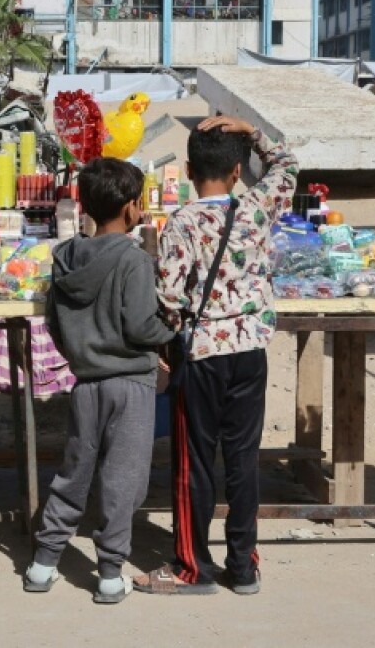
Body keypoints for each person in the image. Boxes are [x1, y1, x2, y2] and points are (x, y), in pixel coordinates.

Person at [135, 115, 298, 596]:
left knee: (195, 462)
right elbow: (286, 162)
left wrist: (171, 338)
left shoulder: (182, 223)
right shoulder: (257, 207)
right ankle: (243, 566)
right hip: (250, 351)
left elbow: (167, 298)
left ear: (187, 170)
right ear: (235, 173)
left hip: (203, 354)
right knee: (243, 458)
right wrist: (251, 132)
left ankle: (192, 567)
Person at [24, 157, 175, 604]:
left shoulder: (65, 257)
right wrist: (171, 332)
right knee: (122, 479)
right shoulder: (133, 259)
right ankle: (110, 572)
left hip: (85, 383)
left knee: (73, 472)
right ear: (132, 208)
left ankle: (43, 563)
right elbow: (142, 327)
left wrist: (80, 351)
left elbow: (53, 322)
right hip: (131, 384)